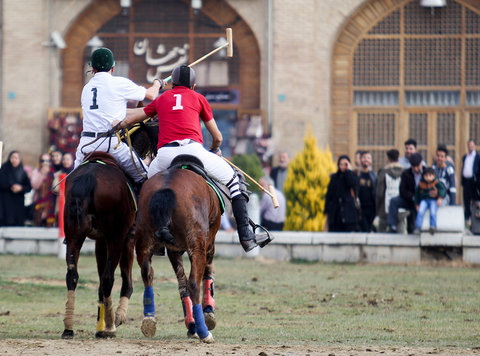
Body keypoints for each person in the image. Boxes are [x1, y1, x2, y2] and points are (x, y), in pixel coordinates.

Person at [118, 65, 271, 253]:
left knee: (145, 186)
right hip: (194, 151)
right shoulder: (199, 98)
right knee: (233, 181)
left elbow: (134, 118)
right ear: (194, 85)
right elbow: (218, 137)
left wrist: (116, 119)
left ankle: (150, 234)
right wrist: (215, 149)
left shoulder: (162, 98)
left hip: (165, 155)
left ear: (172, 84)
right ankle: (246, 235)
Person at [73, 47, 162, 191]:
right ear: (113, 68)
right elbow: (151, 95)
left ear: (93, 68)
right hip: (110, 144)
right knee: (144, 177)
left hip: (85, 146)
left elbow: (112, 111)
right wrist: (158, 83)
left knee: (73, 182)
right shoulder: (119, 83)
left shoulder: (86, 88)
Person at [387, 153, 424, 233]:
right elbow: (402, 191)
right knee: (394, 201)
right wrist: (413, 197)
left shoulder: (427, 173)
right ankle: (392, 226)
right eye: (414, 167)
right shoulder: (406, 174)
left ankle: (416, 228)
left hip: (422, 200)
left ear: (421, 164)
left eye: (418, 166)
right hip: (410, 199)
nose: (416, 169)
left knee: (414, 217)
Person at [324, 155, 359, 232]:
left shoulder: (353, 175)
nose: (343, 166)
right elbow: (329, 195)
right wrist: (327, 211)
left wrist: (348, 171)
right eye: (341, 164)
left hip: (349, 213)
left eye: (345, 164)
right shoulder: (334, 177)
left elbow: (352, 184)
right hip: (336, 213)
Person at [0, 151, 32, 226]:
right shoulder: (4, 170)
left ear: (20, 159)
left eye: (16, 158)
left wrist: (21, 188)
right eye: (12, 157)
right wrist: (11, 186)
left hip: (18, 203)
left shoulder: (22, 172)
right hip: (6, 202)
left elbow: (28, 187)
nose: (14, 160)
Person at [376, 149, 404, 232]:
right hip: (401, 206)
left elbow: (379, 193)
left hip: (385, 206)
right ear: (398, 159)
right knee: (401, 227)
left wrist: (377, 207)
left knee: (382, 229)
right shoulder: (404, 172)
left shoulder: (384, 172)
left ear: (388, 159)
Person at [413, 167, 446, 235]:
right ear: (424, 176)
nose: (428, 178)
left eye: (430, 176)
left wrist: (439, 198)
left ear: (433, 176)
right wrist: (416, 204)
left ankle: (433, 226)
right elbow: (417, 195)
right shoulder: (421, 184)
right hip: (424, 200)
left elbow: (442, 190)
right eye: (426, 176)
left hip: (433, 200)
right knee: (420, 211)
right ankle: (418, 227)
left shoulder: (436, 183)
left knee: (433, 212)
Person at [28, 153, 56, 226]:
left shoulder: (54, 172)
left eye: (47, 160)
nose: (44, 163)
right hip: (39, 203)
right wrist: (42, 174)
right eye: (42, 160)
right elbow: (35, 186)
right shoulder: (36, 172)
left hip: (51, 203)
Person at [357, 150, 377, 232]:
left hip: (372, 208)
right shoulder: (356, 174)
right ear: (360, 160)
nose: (366, 160)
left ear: (371, 161)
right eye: (364, 157)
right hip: (360, 209)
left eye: (368, 158)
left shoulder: (375, 176)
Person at [461, 139, 480, 224]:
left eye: (472, 145)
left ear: (474, 146)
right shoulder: (465, 157)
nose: (470, 147)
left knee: (475, 200)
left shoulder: (478, 157)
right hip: (466, 181)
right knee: (466, 200)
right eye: (469, 145)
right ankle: (467, 219)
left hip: (474, 182)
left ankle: (474, 219)